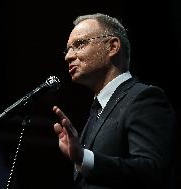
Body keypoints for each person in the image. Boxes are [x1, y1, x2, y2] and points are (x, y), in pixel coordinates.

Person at [52, 13, 177, 189]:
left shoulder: (144, 98)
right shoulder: (98, 109)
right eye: (68, 49)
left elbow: (152, 171)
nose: (68, 56)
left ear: (112, 46)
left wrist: (84, 158)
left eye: (79, 44)